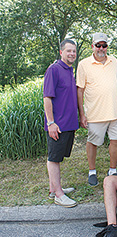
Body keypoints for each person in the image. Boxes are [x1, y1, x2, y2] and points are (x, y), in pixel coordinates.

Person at [76, 33, 117, 186]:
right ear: (93, 46)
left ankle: (112, 170)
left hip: (115, 113)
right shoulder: (84, 64)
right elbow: (80, 90)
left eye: (104, 45)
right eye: (98, 45)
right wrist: (82, 114)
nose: (101, 48)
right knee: (93, 142)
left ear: (107, 47)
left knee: (116, 141)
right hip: (95, 114)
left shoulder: (114, 61)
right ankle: (92, 171)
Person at [43, 39, 79, 207]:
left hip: (69, 124)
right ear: (61, 52)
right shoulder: (54, 70)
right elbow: (47, 98)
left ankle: (53, 188)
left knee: (58, 158)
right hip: (58, 125)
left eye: (74, 51)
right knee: (54, 158)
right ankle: (59, 194)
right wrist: (51, 123)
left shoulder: (70, 70)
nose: (72, 54)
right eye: (68, 51)